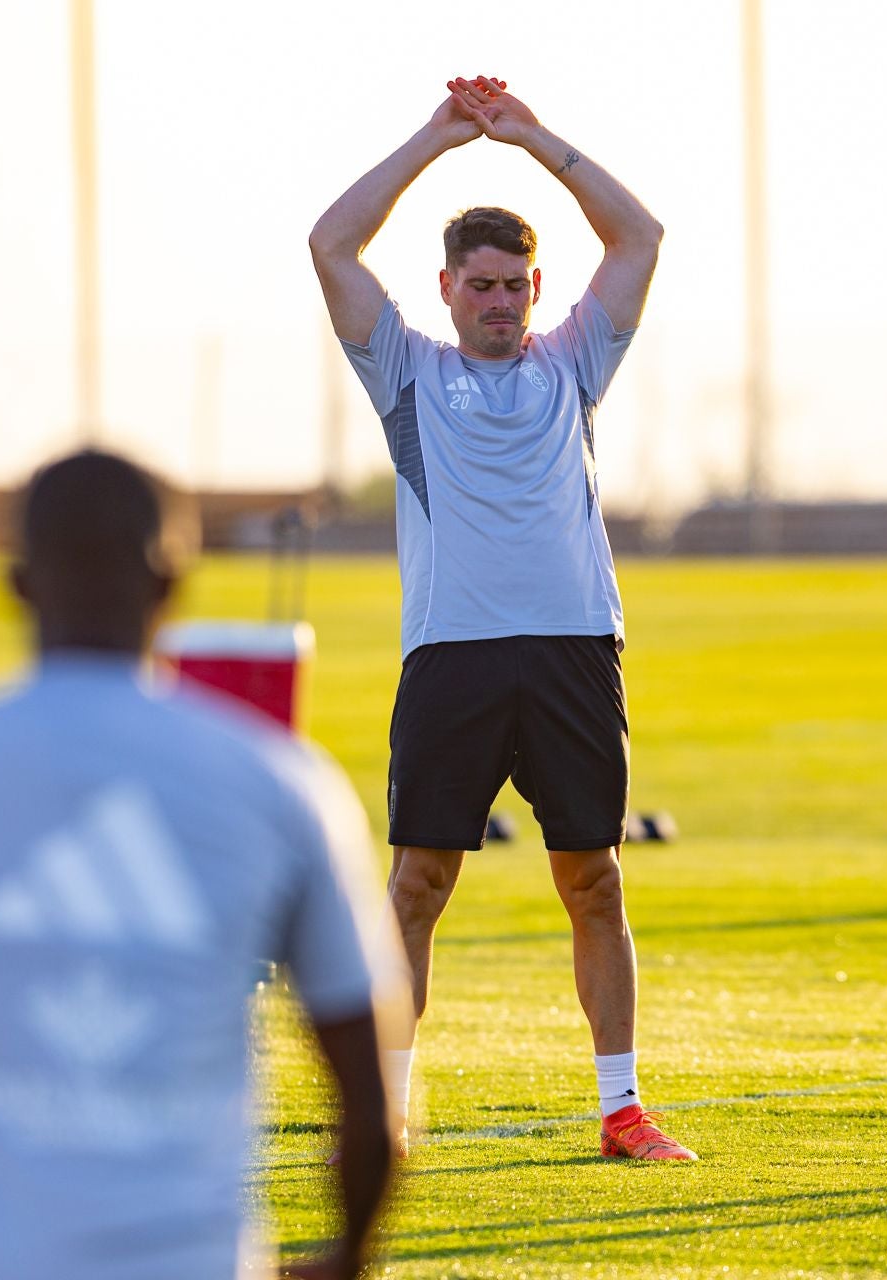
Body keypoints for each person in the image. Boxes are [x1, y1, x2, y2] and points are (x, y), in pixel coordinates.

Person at [0, 450, 410, 1279]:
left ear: (18, 582)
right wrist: (346, 1257)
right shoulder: (279, 783)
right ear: (173, 584)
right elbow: (371, 1103)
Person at [307, 76, 693, 1162]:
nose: (500, 302)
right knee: (419, 883)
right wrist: (435, 141)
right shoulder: (406, 371)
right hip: (451, 658)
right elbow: (331, 244)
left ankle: (621, 1108)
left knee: (594, 878)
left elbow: (642, 235)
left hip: (574, 649)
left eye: (517, 285)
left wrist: (531, 141)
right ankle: (384, 1106)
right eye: (481, 285)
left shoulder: (573, 361)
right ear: (445, 288)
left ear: (537, 288)